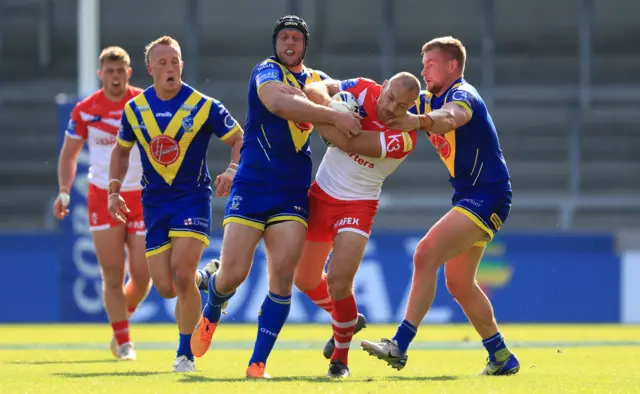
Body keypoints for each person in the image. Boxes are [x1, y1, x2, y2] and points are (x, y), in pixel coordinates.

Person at [190, 15, 361, 379]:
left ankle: (257, 364)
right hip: (252, 184)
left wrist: (389, 100)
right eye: (283, 37)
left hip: (292, 192)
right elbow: (279, 105)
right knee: (234, 274)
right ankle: (214, 305)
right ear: (275, 43)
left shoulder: (316, 81)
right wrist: (330, 113)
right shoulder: (265, 72)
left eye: (296, 39)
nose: (289, 43)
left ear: (304, 46)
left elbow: (354, 92)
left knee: (282, 276)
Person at [360, 36, 520, 376]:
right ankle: (502, 357)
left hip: (487, 193)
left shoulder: (463, 94)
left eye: (430, 64)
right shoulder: (425, 99)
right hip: (470, 195)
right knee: (459, 283)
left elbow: (451, 118)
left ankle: (399, 345)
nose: (423, 69)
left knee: (424, 254)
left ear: (452, 66)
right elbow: (389, 98)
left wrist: (417, 122)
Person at [108, 36, 243, 372]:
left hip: (192, 199)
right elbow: (121, 150)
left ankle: (184, 354)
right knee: (167, 288)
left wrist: (231, 169)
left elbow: (239, 138)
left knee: (181, 276)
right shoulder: (135, 109)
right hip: (153, 203)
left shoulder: (204, 106)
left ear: (182, 65)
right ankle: (208, 281)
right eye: (163, 62)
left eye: (175, 61)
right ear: (150, 69)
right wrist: (113, 190)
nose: (170, 67)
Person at [294, 72, 421, 377]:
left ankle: (340, 361)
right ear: (385, 85)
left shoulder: (404, 136)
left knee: (338, 281)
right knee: (304, 279)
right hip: (321, 195)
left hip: (357, 206)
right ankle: (347, 320)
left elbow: (348, 141)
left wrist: (325, 121)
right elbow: (314, 87)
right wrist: (330, 108)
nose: (391, 108)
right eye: (390, 97)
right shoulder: (363, 88)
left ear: (411, 108)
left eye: (402, 106)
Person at [54, 46, 150, 361]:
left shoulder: (143, 102)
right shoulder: (85, 109)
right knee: (112, 272)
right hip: (101, 195)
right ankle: (124, 342)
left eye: (120, 71)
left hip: (140, 195)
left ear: (129, 73)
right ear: (101, 74)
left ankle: (122, 318)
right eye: (109, 71)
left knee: (142, 275)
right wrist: (64, 191)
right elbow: (69, 154)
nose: (115, 77)